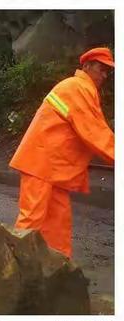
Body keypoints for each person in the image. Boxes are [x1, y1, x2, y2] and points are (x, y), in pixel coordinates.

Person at [10, 47, 114, 258]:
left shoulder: (81, 89)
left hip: (51, 169)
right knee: (30, 222)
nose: (104, 75)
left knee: (57, 227)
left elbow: (92, 131)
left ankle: (59, 273)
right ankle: (13, 274)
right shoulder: (77, 88)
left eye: (107, 72)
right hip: (41, 164)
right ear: (86, 66)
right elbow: (95, 133)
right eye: (101, 69)